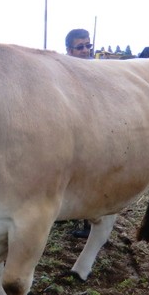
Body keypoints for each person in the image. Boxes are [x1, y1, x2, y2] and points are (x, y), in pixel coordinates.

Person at [65, 28, 93, 238]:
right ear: (69, 50)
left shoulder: (94, 70)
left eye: (87, 46)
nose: (85, 50)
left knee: (88, 174)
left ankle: (89, 223)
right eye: (80, 47)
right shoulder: (63, 71)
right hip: (68, 129)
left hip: (90, 130)